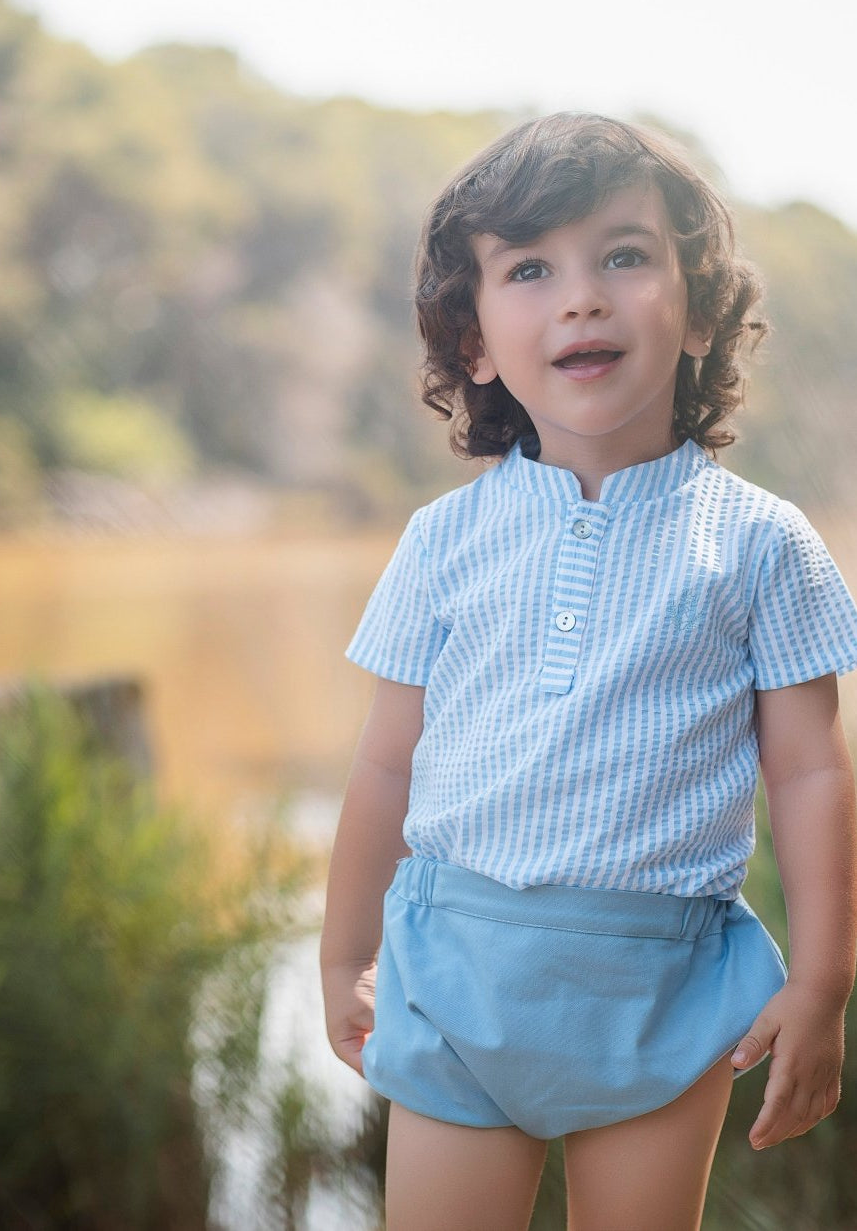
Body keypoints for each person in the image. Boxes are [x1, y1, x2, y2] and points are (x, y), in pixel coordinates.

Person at [319, 112, 857, 1231]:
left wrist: (818, 983)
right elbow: (381, 770)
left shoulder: (759, 543)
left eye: (622, 254)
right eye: (528, 269)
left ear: (699, 310)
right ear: (474, 343)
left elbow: (809, 775)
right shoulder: (440, 542)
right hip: (456, 980)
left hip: (657, 996)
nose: (580, 297)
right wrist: (341, 957)